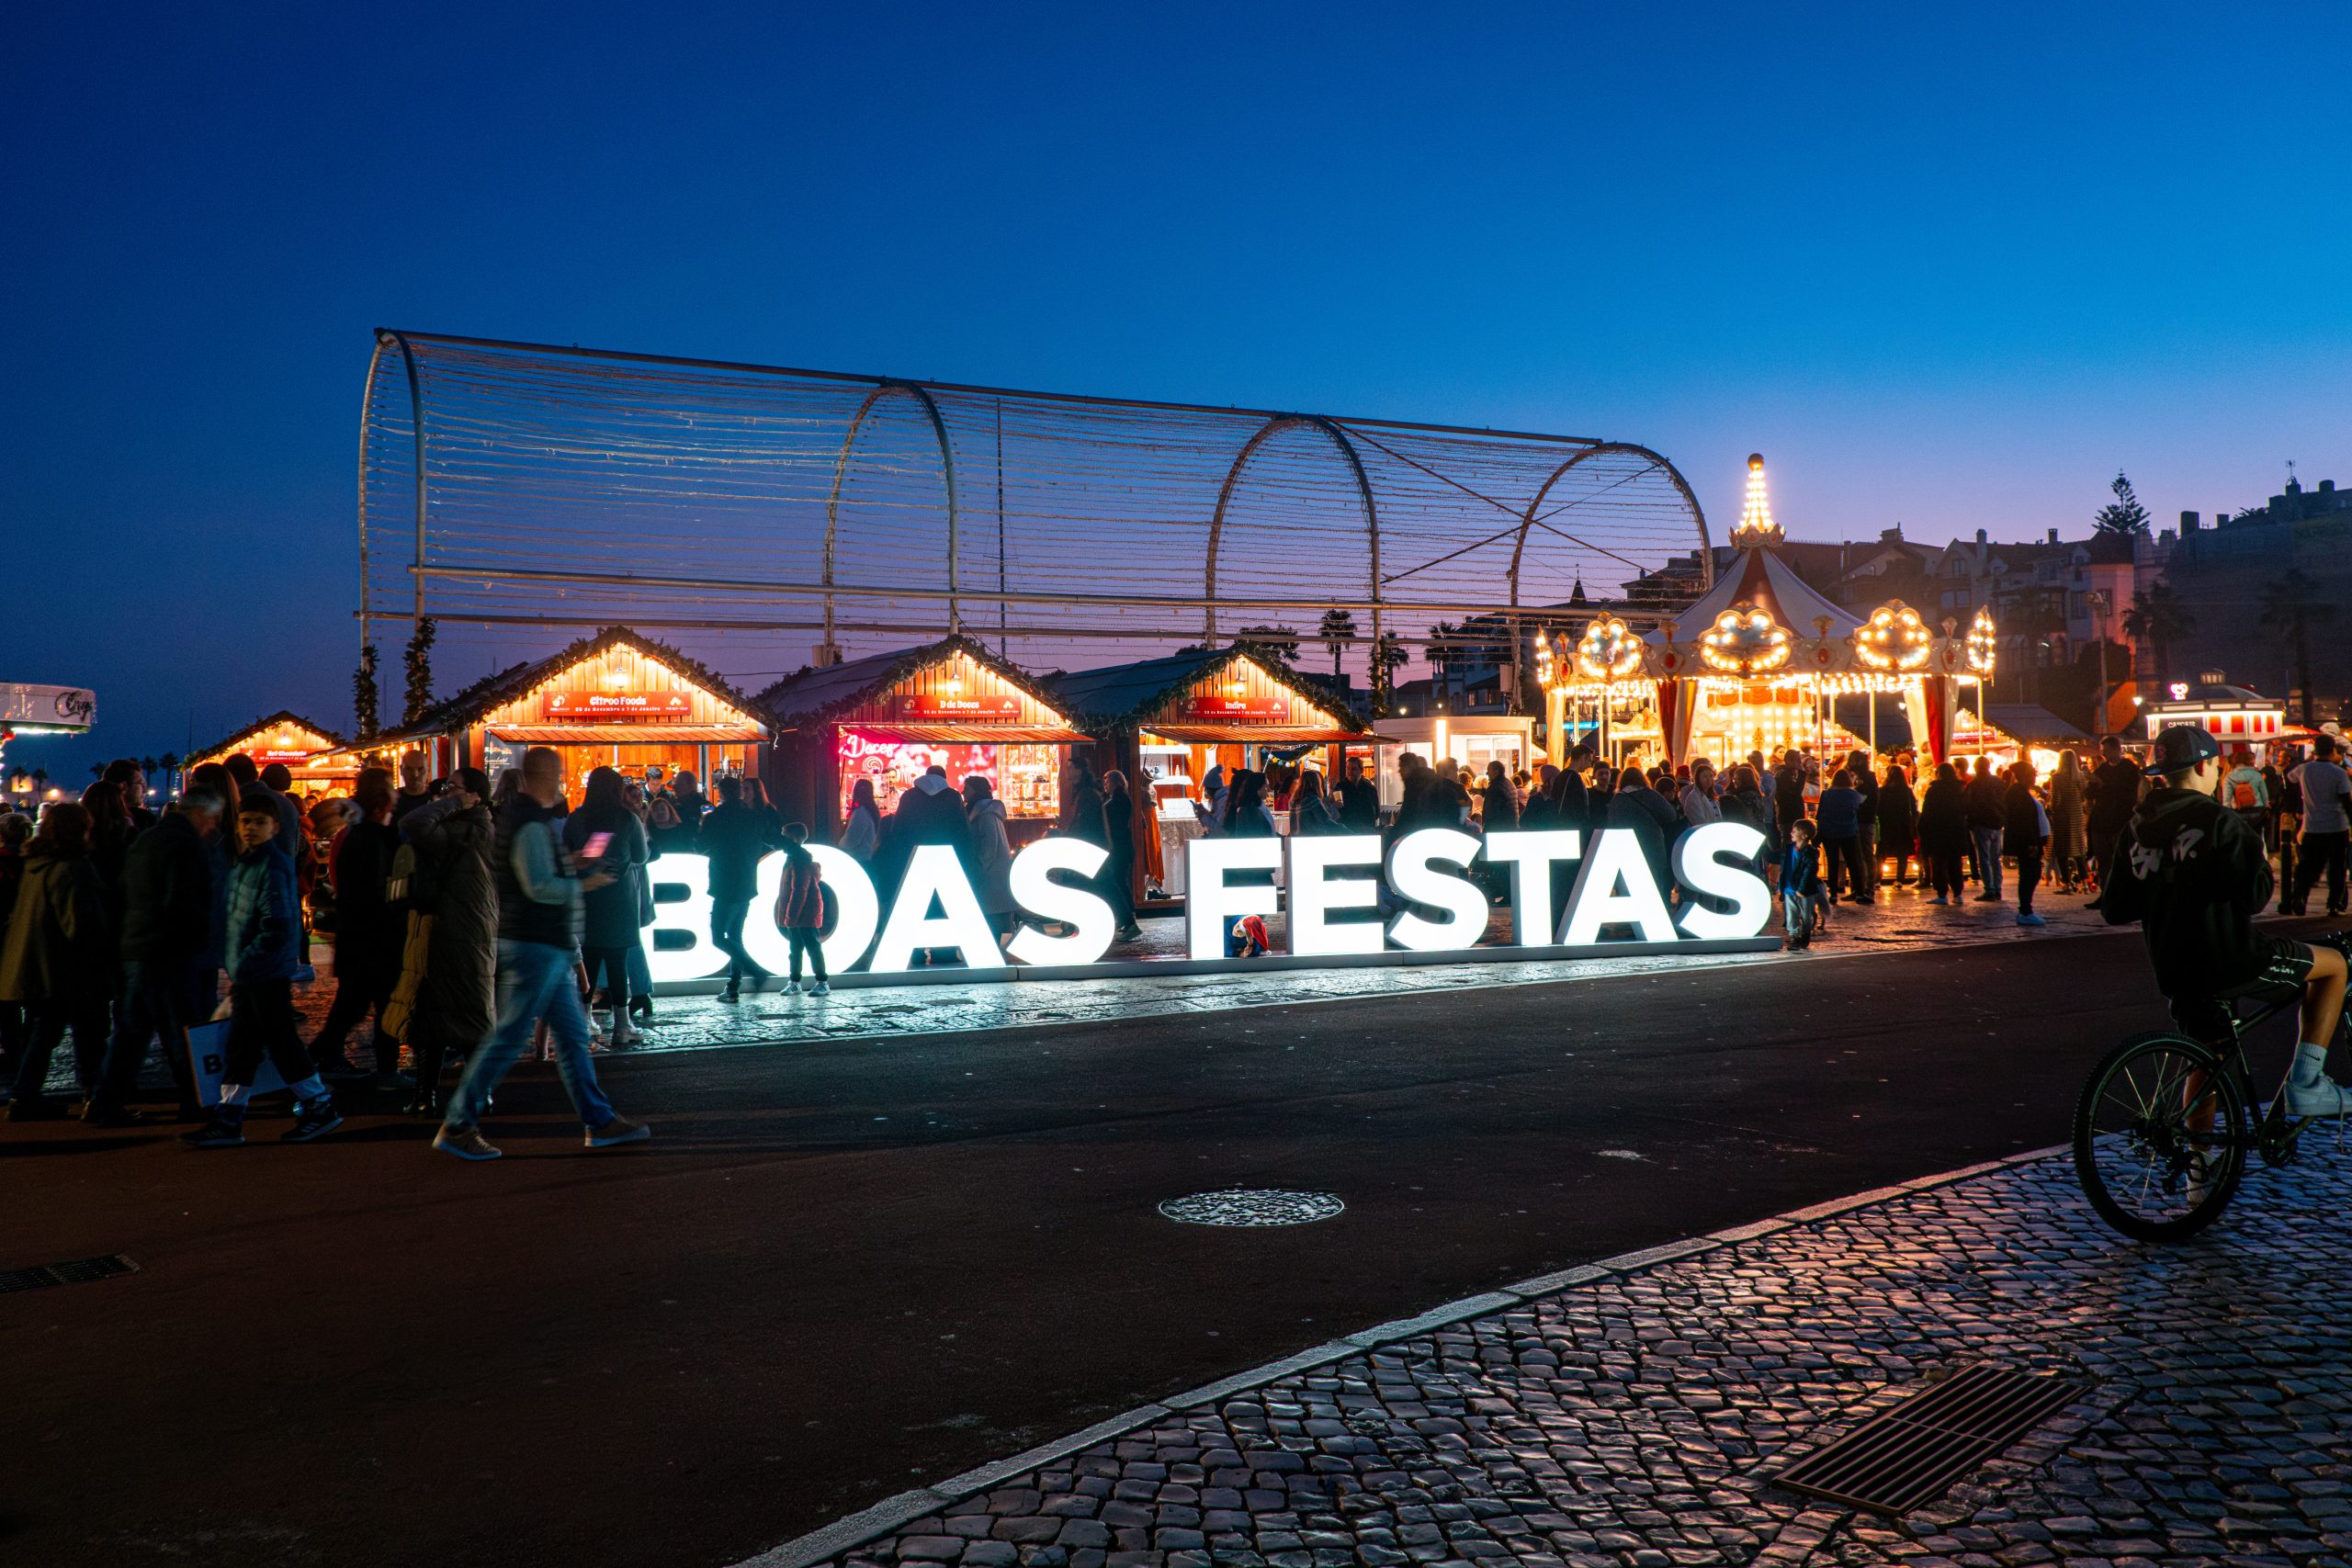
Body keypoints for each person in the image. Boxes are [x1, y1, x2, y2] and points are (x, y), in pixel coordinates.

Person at [2099, 724, 2352, 1121]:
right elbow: (2254, 896)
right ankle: (2307, 1084)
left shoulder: (2136, 828)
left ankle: (2199, 1177)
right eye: (2216, 766)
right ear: (2205, 768)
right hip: (2231, 956)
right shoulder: (2219, 821)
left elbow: (2115, 908)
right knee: (2335, 967)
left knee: (2208, 1058)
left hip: (2173, 966)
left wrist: (2167, 884)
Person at [433, 746, 649, 1160]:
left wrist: (574, 860)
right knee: (510, 1037)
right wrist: (584, 883)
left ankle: (599, 1121)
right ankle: (459, 1123)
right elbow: (538, 886)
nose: (563, 779)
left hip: (541, 942)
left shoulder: (529, 820)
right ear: (543, 777)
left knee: (571, 1036)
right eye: (557, 773)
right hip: (535, 942)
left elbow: (532, 872)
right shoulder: (531, 823)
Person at [180, 796, 345, 1147]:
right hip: (254, 972)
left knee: (278, 1042)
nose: (249, 828)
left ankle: (316, 1105)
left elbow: (278, 925)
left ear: (274, 827)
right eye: (245, 821)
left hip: (262, 973)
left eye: (258, 822)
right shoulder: (252, 863)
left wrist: (246, 962)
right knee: (247, 1045)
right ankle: (230, 1116)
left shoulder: (269, 865)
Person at [88, 789, 222, 1123]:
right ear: (202, 817)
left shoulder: (148, 840)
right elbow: (184, 902)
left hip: (138, 946)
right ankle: (196, 1102)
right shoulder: (186, 846)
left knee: (131, 1032)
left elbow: (124, 891)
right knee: (181, 1032)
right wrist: (195, 941)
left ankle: (105, 1102)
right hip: (168, 951)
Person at [391, 767, 495, 1119]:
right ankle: (426, 1095)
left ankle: (479, 1094)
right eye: (447, 786)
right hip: (445, 926)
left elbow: (412, 824)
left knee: (469, 1013)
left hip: (464, 929)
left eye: (455, 787)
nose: (446, 791)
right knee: (432, 1013)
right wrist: (452, 801)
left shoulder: (470, 827)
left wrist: (451, 803)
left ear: (475, 796)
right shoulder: (458, 824)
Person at [1, 804, 114, 1120]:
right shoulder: (71, 868)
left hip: (39, 966)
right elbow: (80, 925)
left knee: (43, 1032)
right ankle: (96, 1097)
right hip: (68, 969)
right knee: (89, 1033)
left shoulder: (36, 863)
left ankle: (24, 1098)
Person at [311, 768, 404, 1078]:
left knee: (350, 1008)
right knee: (380, 1006)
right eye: (392, 789)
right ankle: (387, 1073)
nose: (397, 795)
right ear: (382, 801)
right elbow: (377, 892)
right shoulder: (373, 839)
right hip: (374, 940)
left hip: (358, 938)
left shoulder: (355, 834)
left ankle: (318, 1059)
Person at [563, 766, 649, 1048]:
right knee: (617, 962)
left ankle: (585, 1020)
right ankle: (623, 1025)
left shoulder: (576, 818)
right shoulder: (627, 819)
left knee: (587, 960)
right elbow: (641, 855)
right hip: (620, 900)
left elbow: (567, 854)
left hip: (586, 898)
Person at [698, 773, 772, 1003]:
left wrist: (701, 826)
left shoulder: (715, 817)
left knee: (719, 936)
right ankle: (733, 985)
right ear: (738, 791)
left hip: (725, 882)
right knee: (735, 935)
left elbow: (701, 846)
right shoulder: (752, 816)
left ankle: (753, 972)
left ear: (720, 792)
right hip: (747, 881)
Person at [2288, 734, 2352, 918]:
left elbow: (2291, 778)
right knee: (2337, 868)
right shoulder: (2338, 773)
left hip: (2312, 826)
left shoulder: (2305, 769)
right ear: (2333, 750)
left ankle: (2300, 896)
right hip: (2336, 826)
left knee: (2308, 865)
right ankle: (2333, 904)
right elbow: (2346, 801)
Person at [773, 821, 831, 994]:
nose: (782, 839)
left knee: (810, 947)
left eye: (785, 836)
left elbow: (800, 890)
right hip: (802, 912)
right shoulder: (796, 858)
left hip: (805, 912)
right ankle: (796, 981)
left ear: (795, 839)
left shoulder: (799, 860)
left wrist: (790, 916)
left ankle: (821, 982)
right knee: (797, 948)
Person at [1605, 765, 1679, 896]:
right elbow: (1671, 815)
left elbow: (1611, 824)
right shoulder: (1650, 794)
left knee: (1628, 887)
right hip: (1652, 847)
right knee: (1654, 887)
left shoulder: (1618, 799)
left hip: (1626, 849)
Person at [961, 773, 1018, 940]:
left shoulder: (985, 814)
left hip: (989, 874)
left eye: (967, 789)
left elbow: (989, 845)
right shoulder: (985, 812)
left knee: (990, 918)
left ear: (975, 791)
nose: (963, 793)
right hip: (993, 874)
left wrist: (979, 866)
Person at [2084, 735, 2143, 891]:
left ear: (2118, 749)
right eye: (2103, 751)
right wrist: (2092, 784)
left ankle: (2123, 893)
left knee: (2121, 860)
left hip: (2120, 821)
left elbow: (2129, 793)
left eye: (2107, 750)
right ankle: (2105, 893)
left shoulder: (2130, 769)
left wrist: (2104, 785)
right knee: (2103, 861)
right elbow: (2090, 794)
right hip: (2102, 823)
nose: (2105, 754)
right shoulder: (2102, 769)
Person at [2005, 759, 2052, 926]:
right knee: (2029, 874)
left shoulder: (2022, 792)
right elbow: (2022, 820)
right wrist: (2031, 842)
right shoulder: (2017, 793)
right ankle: (2025, 910)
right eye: (2032, 775)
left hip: (2031, 840)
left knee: (2031, 873)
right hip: (2027, 842)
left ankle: (2026, 909)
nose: (2035, 778)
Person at [1917, 761, 1970, 906]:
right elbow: (1966, 808)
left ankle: (1942, 893)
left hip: (1938, 830)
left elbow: (1927, 812)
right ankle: (1958, 893)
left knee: (1939, 863)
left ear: (1938, 774)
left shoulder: (1934, 790)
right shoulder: (1960, 789)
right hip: (1956, 830)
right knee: (1955, 863)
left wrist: (1921, 828)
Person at [1101, 768, 1142, 942]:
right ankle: (1124, 916)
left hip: (1120, 847)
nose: (1105, 785)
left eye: (1108, 781)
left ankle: (1128, 915)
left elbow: (1116, 822)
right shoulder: (1113, 798)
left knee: (1118, 881)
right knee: (1118, 880)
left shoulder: (1120, 799)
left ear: (1117, 782)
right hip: (1118, 846)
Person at [1815, 770, 1867, 903]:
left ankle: (1833, 894)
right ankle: (1859, 893)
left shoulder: (1826, 794)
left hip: (1830, 833)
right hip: (1848, 832)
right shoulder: (1853, 794)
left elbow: (1820, 815)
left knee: (1833, 864)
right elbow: (1860, 808)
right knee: (1852, 863)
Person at [1964, 757, 2007, 900]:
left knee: (1984, 858)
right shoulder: (1998, 782)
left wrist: (1971, 823)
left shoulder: (1975, 785)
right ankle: (1998, 888)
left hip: (1982, 825)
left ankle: (1989, 889)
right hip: (1997, 824)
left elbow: (1969, 805)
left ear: (1976, 768)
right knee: (1996, 859)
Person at [2048, 750, 2088, 891]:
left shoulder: (2057, 777)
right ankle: (2085, 884)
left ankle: (2067, 884)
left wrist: (2050, 808)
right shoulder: (2081, 777)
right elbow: (2084, 797)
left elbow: (2056, 800)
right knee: (2079, 852)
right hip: (2077, 817)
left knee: (2062, 852)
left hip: (2063, 818)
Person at [1781, 818, 1822, 951]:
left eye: (1795, 830)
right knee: (1791, 913)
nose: (1792, 832)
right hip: (1789, 888)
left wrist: (1802, 888)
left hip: (1804, 890)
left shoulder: (1810, 852)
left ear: (1804, 836)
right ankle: (1794, 936)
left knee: (1806, 915)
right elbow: (1784, 868)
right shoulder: (1788, 848)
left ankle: (1805, 933)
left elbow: (1810, 871)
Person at [1844, 750, 1881, 900]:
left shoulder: (1868, 778)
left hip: (1864, 820)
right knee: (1856, 855)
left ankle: (1868, 888)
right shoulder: (1855, 777)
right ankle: (1858, 887)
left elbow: (1866, 799)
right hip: (1857, 819)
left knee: (1865, 854)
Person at [1877, 762, 1918, 889]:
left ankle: (1877, 879)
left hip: (1886, 824)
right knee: (1902, 854)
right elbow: (1913, 808)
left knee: (1881, 854)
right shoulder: (1906, 791)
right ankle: (1899, 879)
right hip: (1903, 825)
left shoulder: (1882, 791)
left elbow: (1878, 808)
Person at [838, 776, 883, 863]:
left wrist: (840, 844)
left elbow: (851, 840)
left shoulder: (861, 813)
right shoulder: (871, 811)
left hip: (858, 860)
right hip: (867, 858)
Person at [390, 749, 435, 834]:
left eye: (420, 769)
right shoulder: (391, 801)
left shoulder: (435, 801)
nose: (415, 774)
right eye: (409, 769)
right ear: (401, 770)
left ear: (428, 770)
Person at [1336, 757, 1380, 833]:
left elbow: (1376, 811)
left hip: (1367, 830)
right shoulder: (1339, 788)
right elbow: (1336, 811)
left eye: (1353, 769)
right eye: (1348, 768)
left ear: (1361, 770)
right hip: (1347, 831)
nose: (1349, 771)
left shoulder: (1370, 789)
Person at [1679, 758, 1723, 829]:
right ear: (1698, 779)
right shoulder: (1694, 798)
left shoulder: (1712, 796)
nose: (1709, 779)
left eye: (1711, 776)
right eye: (1705, 777)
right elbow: (1699, 821)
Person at [1480, 761, 1519, 832]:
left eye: (1489, 771)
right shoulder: (1509, 783)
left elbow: (1492, 812)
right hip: (1510, 827)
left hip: (1498, 829)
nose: (1487, 773)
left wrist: (1486, 829)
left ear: (1496, 772)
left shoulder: (1496, 787)